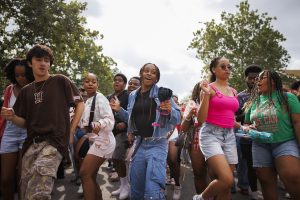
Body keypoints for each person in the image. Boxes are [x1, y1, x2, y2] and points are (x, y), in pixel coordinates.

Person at [0, 44, 84, 199]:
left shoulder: (60, 80)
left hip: (54, 142)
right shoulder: (26, 91)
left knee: (39, 192)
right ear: (30, 63)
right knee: (25, 190)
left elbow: (80, 104)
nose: (43, 63)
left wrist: (71, 132)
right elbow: (24, 122)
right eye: (39, 59)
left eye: (46, 60)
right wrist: (12, 116)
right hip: (31, 144)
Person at [110, 63, 181, 199]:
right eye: (146, 71)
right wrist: (119, 110)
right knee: (136, 187)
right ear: (141, 73)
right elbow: (132, 119)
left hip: (158, 144)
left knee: (153, 189)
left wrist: (169, 110)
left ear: (156, 78)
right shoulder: (133, 95)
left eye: (153, 72)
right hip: (140, 144)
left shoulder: (162, 93)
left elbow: (178, 118)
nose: (149, 73)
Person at [243, 70, 300, 200]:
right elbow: (246, 123)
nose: (257, 81)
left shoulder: (287, 97)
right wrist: (248, 127)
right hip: (260, 145)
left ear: (273, 81)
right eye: (257, 79)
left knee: (292, 176)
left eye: (261, 78)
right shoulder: (253, 101)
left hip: (285, 142)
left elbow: (297, 122)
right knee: (265, 182)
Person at [194, 57, 239, 200]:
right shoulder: (209, 88)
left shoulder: (233, 90)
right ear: (214, 69)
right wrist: (206, 94)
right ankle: (200, 198)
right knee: (227, 179)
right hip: (211, 135)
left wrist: (244, 126)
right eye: (223, 66)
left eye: (229, 67)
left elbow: (230, 117)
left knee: (225, 187)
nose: (227, 69)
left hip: (230, 135)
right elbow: (201, 120)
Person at [0, 58, 34, 199]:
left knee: (22, 178)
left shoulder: (35, 90)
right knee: (6, 178)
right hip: (9, 133)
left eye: (24, 75)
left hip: (27, 134)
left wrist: (13, 116)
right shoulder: (9, 90)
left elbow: (31, 121)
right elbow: (4, 112)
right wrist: (4, 112)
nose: (20, 78)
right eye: (17, 75)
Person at [78, 73, 116, 200]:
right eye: (87, 81)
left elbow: (109, 119)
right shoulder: (86, 101)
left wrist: (99, 123)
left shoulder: (100, 98)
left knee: (84, 173)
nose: (90, 84)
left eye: (93, 82)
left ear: (97, 84)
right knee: (91, 176)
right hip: (93, 139)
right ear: (83, 83)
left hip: (104, 139)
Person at [235, 64, 262, 199]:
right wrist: (247, 112)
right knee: (244, 162)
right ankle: (244, 185)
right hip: (245, 134)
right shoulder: (240, 97)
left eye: (257, 78)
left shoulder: (266, 94)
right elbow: (234, 117)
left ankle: (255, 186)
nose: (253, 81)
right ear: (246, 78)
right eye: (251, 78)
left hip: (264, 134)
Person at [180, 82, 207, 195]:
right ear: (197, 91)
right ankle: (201, 197)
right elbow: (183, 128)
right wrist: (190, 114)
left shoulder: (216, 102)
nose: (206, 90)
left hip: (217, 138)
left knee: (216, 174)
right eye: (203, 88)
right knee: (199, 173)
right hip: (197, 141)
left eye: (208, 87)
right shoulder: (192, 104)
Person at [107, 73, 130, 199]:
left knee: (117, 157)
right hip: (110, 132)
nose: (117, 82)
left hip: (124, 132)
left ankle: (126, 186)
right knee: (114, 160)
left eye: (120, 81)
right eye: (115, 80)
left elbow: (132, 115)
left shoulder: (129, 96)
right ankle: (122, 185)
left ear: (124, 84)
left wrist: (125, 124)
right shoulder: (109, 97)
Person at [166, 94, 182, 200]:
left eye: (175, 101)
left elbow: (177, 122)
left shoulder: (177, 111)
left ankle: (177, 185)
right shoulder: (160, 105)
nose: (173, 102)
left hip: (173, 134)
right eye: (172, 100)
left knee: (173, 159)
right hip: (159, 135)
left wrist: (169, 132)